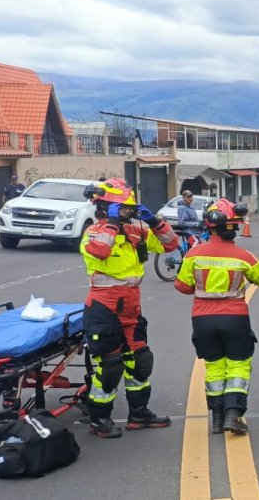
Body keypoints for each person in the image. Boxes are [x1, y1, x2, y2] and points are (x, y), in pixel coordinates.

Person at [79, 178, 179, 438]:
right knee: (110, 367)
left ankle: (139, 413)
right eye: (122, 208)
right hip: (104, 308)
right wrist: (112, 224)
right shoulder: (94, 233)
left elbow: (171, 244)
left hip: (131, 308)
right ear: (105, 208)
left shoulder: (137, 232)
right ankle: (99, 419)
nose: (128, 213)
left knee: (140, 362)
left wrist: (155, 222)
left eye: (129, 209)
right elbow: (100, 251)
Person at [175, 199, 259, 435]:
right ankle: (234, 414)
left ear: (210, 226)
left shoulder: (194, 254)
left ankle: (218, 418)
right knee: (238, 367)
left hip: (202, 319)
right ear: (234, 227)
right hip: (235, 318)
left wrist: (201, 287)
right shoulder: (244, 256)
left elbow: (182, 286)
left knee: (214, 368)